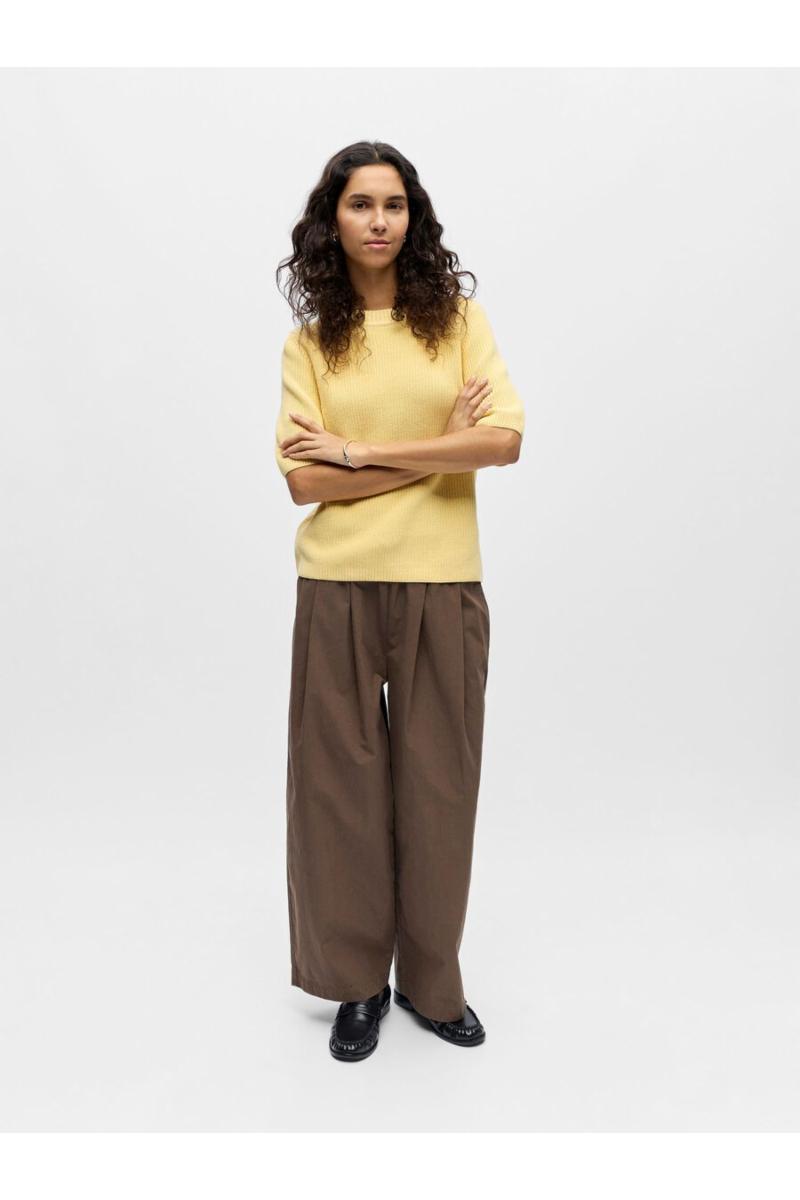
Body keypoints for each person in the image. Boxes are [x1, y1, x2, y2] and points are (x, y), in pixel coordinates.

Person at [274, 141, 524, 1062]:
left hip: (442, 581)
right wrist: (436, 447)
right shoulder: (311, 344)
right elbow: (303, 484)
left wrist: (360, 452)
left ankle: (430, 981)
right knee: (336, 795)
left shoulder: (457, 323)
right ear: (331, 221)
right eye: (359, 204)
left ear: (413, 218)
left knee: (439, 791)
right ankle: (356, 984)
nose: (378, 220)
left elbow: (502, 443)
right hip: (335, 586)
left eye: (394, 204)